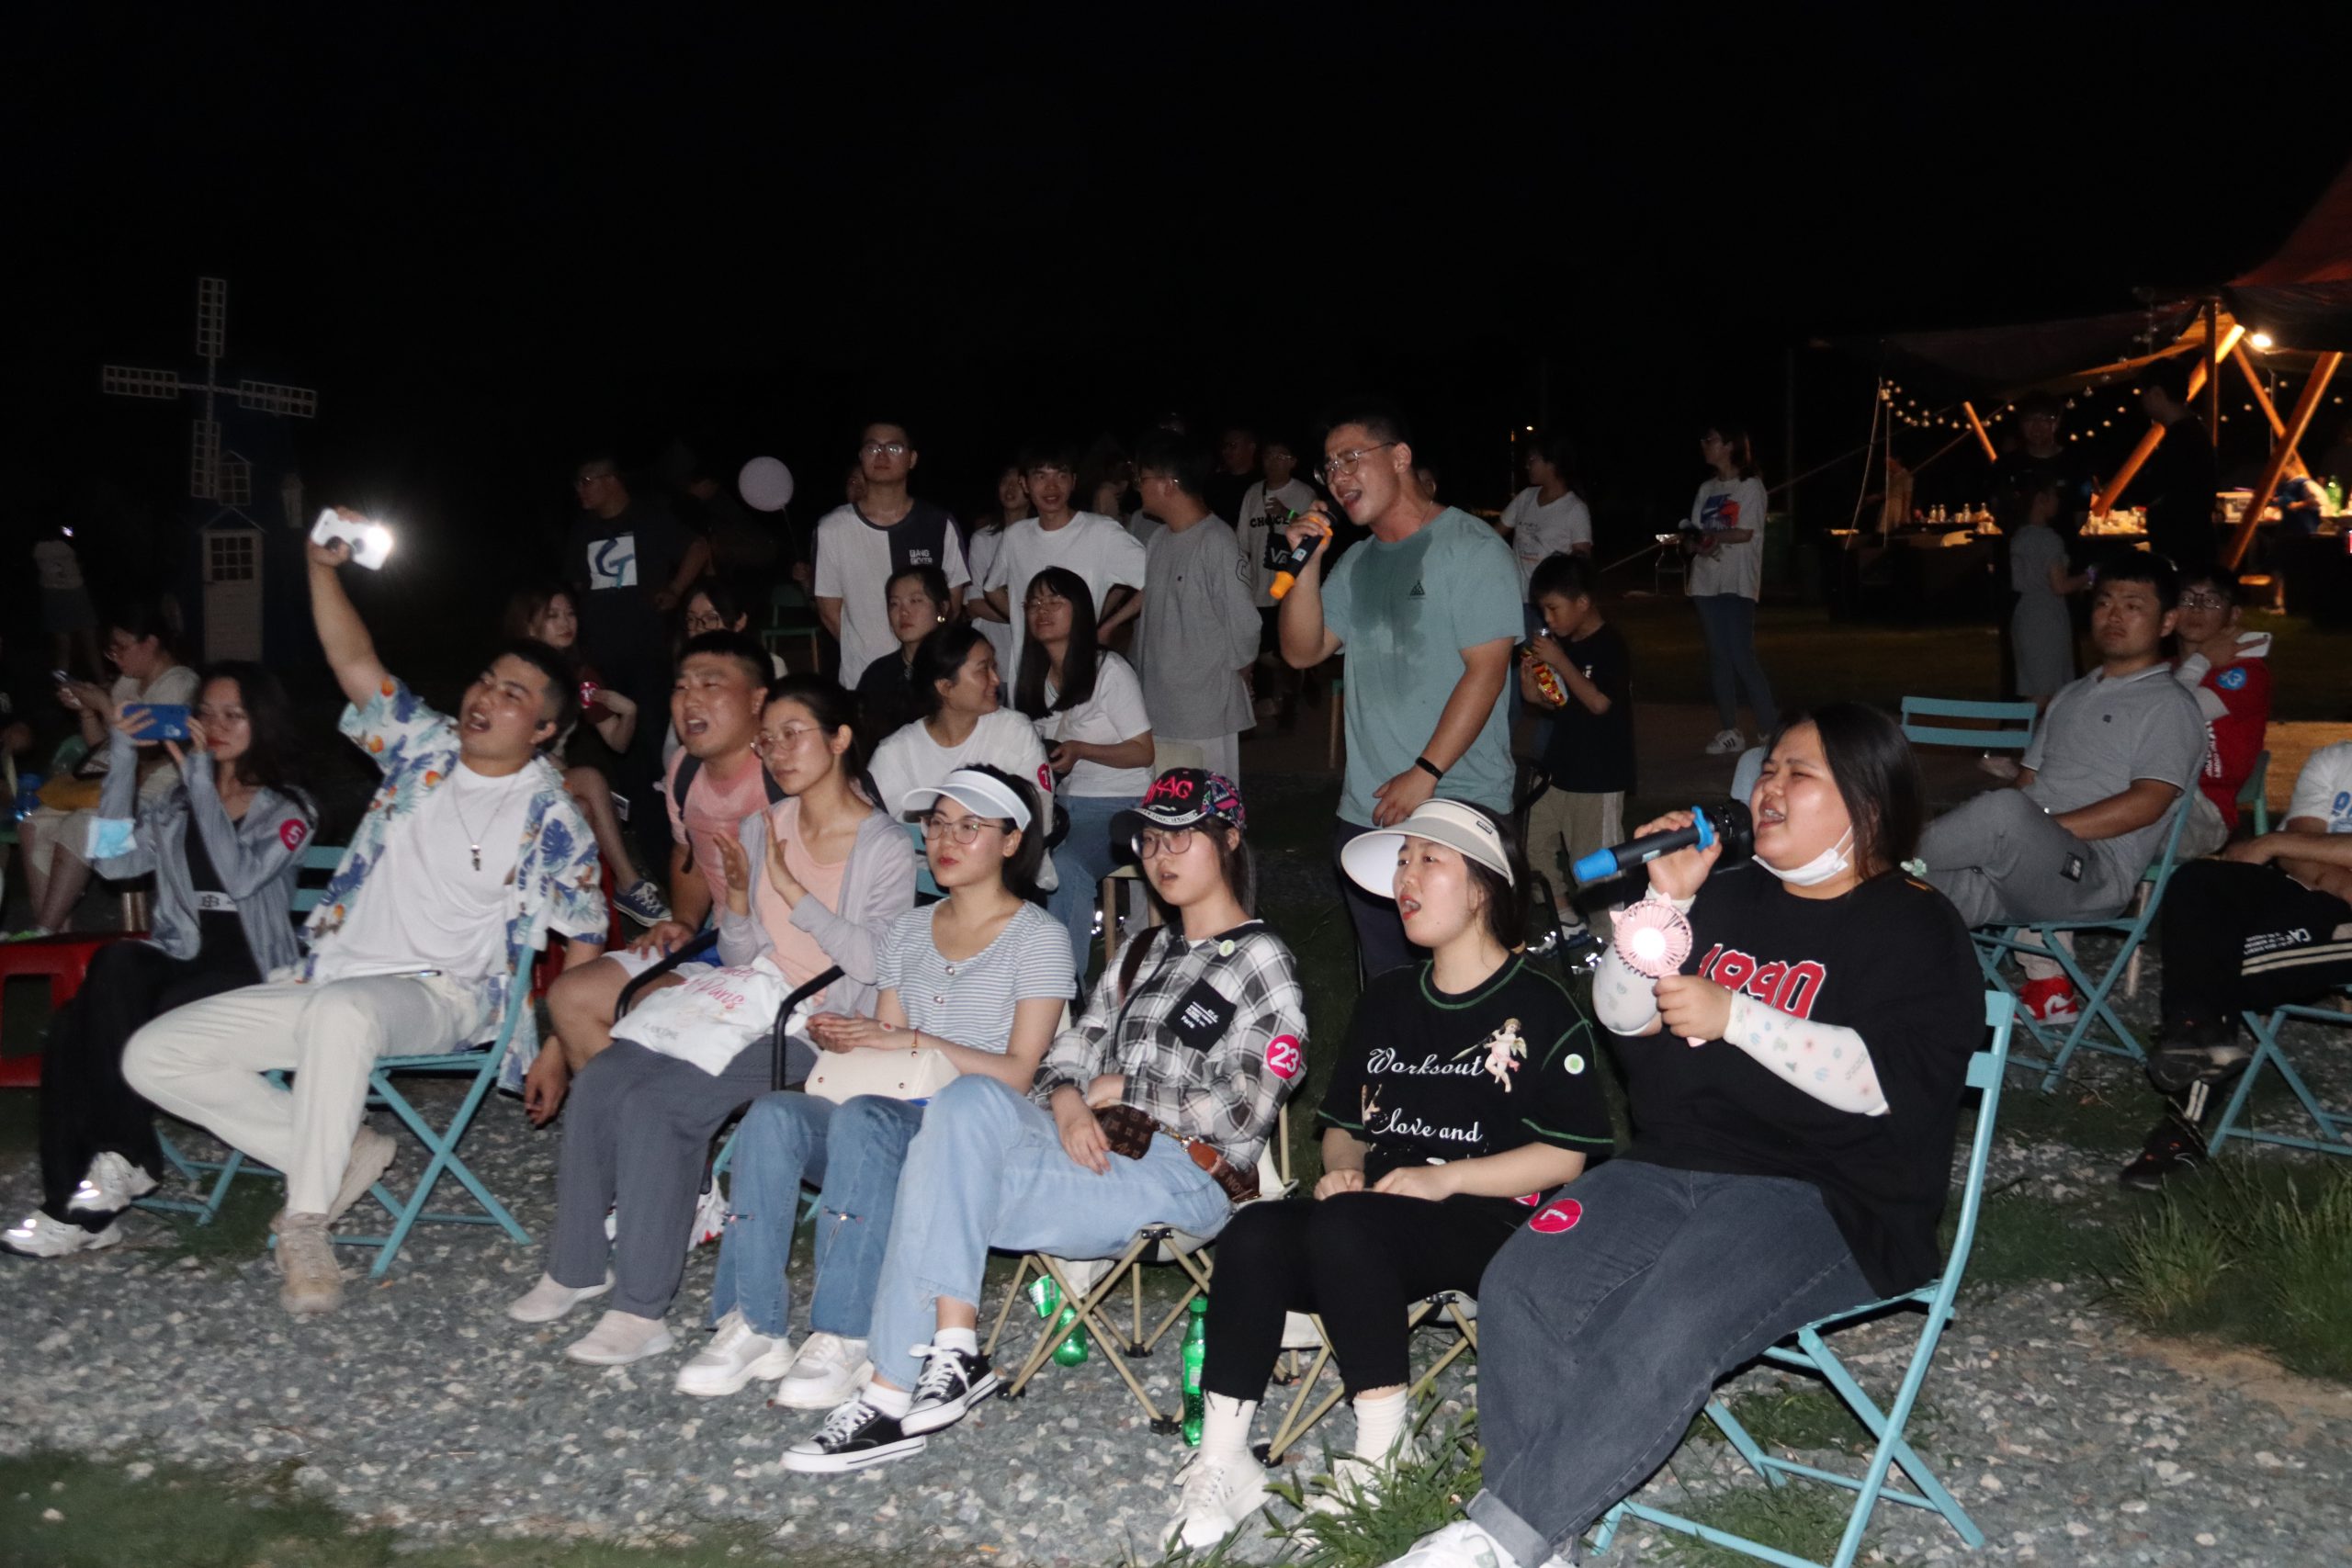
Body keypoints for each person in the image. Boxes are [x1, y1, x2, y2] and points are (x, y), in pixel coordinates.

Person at [1376, 705, 1981, 1568]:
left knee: (1665, 1321)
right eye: (1769, 768)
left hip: (1827, 1191)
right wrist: (1667, 898)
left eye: (1799, 773)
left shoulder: (1915, 924)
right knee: (1523, 1283)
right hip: (1671, 1163)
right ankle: (1541, 1539)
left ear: (1868, 804)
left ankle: (1497, 1543)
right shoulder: (1725, 892)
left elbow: (1888, 1081)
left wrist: (1740, 1017)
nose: (1768, 787)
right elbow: (1621, 1012)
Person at [124, 516, 609, 1316]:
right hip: (329, 979)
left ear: (546, 728)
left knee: (344, 1015)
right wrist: (321, 569)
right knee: (154, 1054)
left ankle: (306, 1221)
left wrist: (556, 1044)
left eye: (513, 695)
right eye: (486, 680)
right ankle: (342, 1150)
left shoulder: (551, 815)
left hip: (443, 995)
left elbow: (586, 932)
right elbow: (355, 661)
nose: (486, 697)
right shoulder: (424, 748)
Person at [778, 768, 1304, 1472]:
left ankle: (889, 1394)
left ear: (1230, 839)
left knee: (937, 1181)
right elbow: (1065, 1057)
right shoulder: (1140, 951)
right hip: (1088, 1148)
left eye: (1182, 837)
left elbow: (1248, 1110)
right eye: (1151, 839)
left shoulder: (1263, 960)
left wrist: (1127, 1088)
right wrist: (1069, 1100)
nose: (1161, 854)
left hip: (1184, 1171)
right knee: (963, 1104)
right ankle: (945, 1354)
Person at [1170, 801, 1610, 1550]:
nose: (1405, 877)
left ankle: (1381, 1456)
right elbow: (1344, 1125)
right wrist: (1342, 1170)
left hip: (1492, 1220)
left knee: (1351, 1225)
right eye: (1403, 861)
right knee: (1257, 1230)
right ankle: (1224, 1458)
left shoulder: (1538, 1004)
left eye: (1429, 860)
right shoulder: (1389, 998)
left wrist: (1446, 1178)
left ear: (1483, 887)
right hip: (1374, 1221)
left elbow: (1567, 1155)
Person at [507, 675, 917, 1365]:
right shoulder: (763, 826)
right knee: (605, 1078)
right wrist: (740, 902)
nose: (778, 751)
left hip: (818, 1022)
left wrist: (791, 891)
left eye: (794, 735)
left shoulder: (884, 847)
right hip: (746, 996)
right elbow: (740, 953)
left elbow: (874, 964)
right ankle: (577, 1266)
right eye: (769, 739)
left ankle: (642, 1309)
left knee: (663, 1104)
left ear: (840, 739)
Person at [674, 766, 1070, 1402]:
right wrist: (854, 1037)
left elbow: (1019, 1071)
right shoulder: (910, 931)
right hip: (893, 1116)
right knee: (775, 1112)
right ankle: (752, 1320)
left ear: (1012, 841)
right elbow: (888, 1049)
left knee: (866, 1119)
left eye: (970, 826)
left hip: (973, 1133)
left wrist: (907, 1039)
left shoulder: (1040, 938)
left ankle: (848, 1332)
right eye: (937, 823)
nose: (946, 839)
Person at [3, 666, 315, 1258]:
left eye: (234, 715)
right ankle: (102, 1184)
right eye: (208, 713)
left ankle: (94, 1194)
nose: (216, 726)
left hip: (253, 973)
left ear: (263, 723)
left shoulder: (290, 808)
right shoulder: (175, 803)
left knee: (84, 1025)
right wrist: (123, 756)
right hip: (184, 955)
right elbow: (113, 862)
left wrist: (199, 781)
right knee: (95, 993)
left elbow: (239, 877)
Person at [1277, 400, 1522, 980]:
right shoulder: (1357, 562)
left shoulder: (1471, 547)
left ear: (1401, 457)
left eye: (1351, 458)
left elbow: (1486, 672)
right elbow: (1301, 651)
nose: (1337, 476)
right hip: (1369, 809)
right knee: (1388, 979)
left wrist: (1424, 773)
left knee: (1470, 977)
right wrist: (1305, 566)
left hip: (1459, 799)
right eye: (1328, 466)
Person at [1917, 557, 2206, 1024]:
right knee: (1895, 894)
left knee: (2000, 813)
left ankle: (1875, 850)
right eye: (2105, 603)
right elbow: (2027, 783)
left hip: (2094, 873)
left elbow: (2148, 803)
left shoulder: (2169, 707)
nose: (2114, 616)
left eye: (2133, 606)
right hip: (2020, 868)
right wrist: (2015, 833)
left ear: (2167, 622)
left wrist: (2041, 829)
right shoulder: (2071, 696)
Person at [531, 631, 778, 1123]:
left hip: (785, 965)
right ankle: (648, 1144)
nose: (690, 699)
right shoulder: (685, 770)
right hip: (719, 948)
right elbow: (690, 854)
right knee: (572, 996)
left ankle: (662, 1136)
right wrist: (683, 921)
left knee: (662, 1019)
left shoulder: (788, 771)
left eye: (711, 685)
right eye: (681, 687)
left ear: (757, 700)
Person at [2119, 742, 2352, 1189]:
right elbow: (2298, 854)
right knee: (2201, 881)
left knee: (2211, 962)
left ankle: (2183, 1127)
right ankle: (2193, 1029)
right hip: (2322, 897)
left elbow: (2290, 845)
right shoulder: (2336, 760)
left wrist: (2273, 841)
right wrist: (2335, 879)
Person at [12, 604, 201, 939]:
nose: (115, 657)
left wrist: (102, 703)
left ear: (150, 643)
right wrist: (87, 712)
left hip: (157, 794)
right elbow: (105, 749)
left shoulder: (180, 684)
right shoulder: (128, 683)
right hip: (112, 787)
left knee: (79, 827)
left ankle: (44, 932)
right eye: (111, 649)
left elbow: (148, 747)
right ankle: (55, 934)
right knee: (32, 825)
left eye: (122, 648)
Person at [1013, 569, 1154, 978]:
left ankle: (1064, 990)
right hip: (1060, 808)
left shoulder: (1109, 670)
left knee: (1067, 867)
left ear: (1080, 611)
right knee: (1006, 858)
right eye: (1034, 603)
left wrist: (1080, 750)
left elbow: (1143, 752)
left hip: (1121, 806)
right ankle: (1017, 980)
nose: (1042, 611)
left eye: (1054, 602)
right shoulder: (1035, 674)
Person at [505, 584, 664, 927]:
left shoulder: (581, 677)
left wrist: (629, 713)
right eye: (553, 616)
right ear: (530, 625)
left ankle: (574, 919)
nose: (566, 623)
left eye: (571, 614)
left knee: (584, 810)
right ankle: (627, 884)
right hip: (511, 782)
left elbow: (617, 742)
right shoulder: (512, 673)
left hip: (553, 784)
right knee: (590, 779)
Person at [866, 626, 1056, 881]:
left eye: (994, 667)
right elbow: (872, 836)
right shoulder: (895, 754)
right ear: (945, 687)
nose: (996, 679)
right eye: (983, 669)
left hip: (1006, 883)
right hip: (917, 888)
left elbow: (1039, 818)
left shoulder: (1013, 731)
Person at [1132, 429, 1260, 784]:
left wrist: (1238, 677)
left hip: (1203, 711)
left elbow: (1244, 624)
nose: (1138, 487)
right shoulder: (1158, 539)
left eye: (1143, 479)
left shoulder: (1216, 541)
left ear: (1168, 484)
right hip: (1157, 704)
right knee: (1166, 802)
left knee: (1209, 802)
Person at [1521, 554, 1635, 942]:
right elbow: (1562, 703)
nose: (1547, 619)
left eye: (1553, 608)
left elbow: (1599, 703)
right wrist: (1533, 692)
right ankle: (1566, 920)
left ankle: (1611, 943)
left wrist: (1560, 661)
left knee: (1595, 863)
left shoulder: (1610, 645)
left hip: (1598, 774)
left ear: (1582, 602)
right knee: (1529, 840)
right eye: (1542, 610)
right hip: (1559, 766)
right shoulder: (1564, 646)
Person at [812, 423, 970, 687]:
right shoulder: (832, 528)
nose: (882, 455)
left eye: (894, 448)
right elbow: (830, 611)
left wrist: (926, 651)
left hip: (928, 676)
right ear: (861, 457)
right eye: (872, 448)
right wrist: (871, 657)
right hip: (863, 678)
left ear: (912, 458)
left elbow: (951, 602)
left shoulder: (938, 523)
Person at [978, 444, 1147, 668]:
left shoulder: (1102, 532)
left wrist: (1107, 623)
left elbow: (1154, 578)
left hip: (1080, 670)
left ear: (1073, 481)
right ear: (1025, 484)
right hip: (1027, 672)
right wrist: (1024, 619)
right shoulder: (1015, 536)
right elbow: (991, 589)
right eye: (1041, 476)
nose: (1052, 486)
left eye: (1061, 475)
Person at [1685, 422, 1778, 756]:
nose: (1704, 444)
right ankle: (1730, 730)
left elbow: (1745, 532)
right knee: (1718, 656)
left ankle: (1770, 730)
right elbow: (1694, 536)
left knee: (1741, 655)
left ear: (1729, 445)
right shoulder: (1706, 489)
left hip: (1737, 582)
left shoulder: (1750, 487)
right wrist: (1693, 542)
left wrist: (1711, 537)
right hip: (1705, 582)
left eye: (1710, 439)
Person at [2168, 566, 2271, 858]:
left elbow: (2173, 714)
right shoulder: (2161, 670)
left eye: (2211, 601)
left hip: (2203, 810)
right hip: (2149, 794)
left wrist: (2200, 660)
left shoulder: (2247, 673)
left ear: (2234, 615)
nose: (2196, 609)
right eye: (2186, 599)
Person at [1237, 437, 1321, 727]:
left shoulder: (1304, 494)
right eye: (1268, 455)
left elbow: (1317, 535)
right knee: (1259, 649)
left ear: (1292, 462)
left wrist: (1289, 515)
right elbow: (1243, 542)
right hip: (1258, 586)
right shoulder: (1253, 494)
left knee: (1285, 648)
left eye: (1279, 456)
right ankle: (1301, 676)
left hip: (1290, 588)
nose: (1272, 462)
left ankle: (1287, 704)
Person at [2006, 477, 2089, 714]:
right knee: (2046, 691)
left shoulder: (2020, 536)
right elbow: (2059, 586)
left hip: (2025, 613)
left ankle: (2032, 733)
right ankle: (2014, 731)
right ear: (2041, 500)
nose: (2057, 502)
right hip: (2046, 616)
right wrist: (2090, 576)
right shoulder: (2048, 539)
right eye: (2054, 497)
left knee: (2039, 687)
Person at [2134, 358, 2219, 572]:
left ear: (2157, 393)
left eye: (2143, 394)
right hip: (2193, 541)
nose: (2142, 402)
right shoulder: (2192, 431)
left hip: (2182, 545)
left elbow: (2156, 488)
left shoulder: (2182, 437)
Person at [854, 564, 953, 745]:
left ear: (942, 609)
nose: (903, 612)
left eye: (915, 601)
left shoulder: (958, 667)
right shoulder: (878, 674)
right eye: (894, 604)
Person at [963, 464, 1029, 677]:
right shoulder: (983, 539)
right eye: (1004, 481)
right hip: (993, 650)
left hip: (1032, 654)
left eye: (1017, 482)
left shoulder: (1041, 537)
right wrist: (1026, 619)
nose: (1010, 487)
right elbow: (975, 603)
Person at [1206, 424, 1261, 525]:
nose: (1226, 451)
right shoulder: (1214, 483)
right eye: (1224, 446)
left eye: (1233, 445)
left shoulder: (1263, 483)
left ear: (1251, 447)